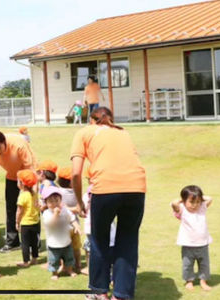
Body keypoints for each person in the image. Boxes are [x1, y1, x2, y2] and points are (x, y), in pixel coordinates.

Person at [71, 107, 146, 300]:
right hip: (136, 187)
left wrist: (80, 203)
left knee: (98, 240)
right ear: (110, 119)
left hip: (104, 188)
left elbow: (76, 173)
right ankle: (121, 295)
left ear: (91, 120)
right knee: (128, 240)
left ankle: (99, 292)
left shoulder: (84, 132)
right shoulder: (123, 132)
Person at [0, 130, 37, 252]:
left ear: (3, 142)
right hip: (12, 176)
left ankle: (33, 241)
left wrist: (33, 189)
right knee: (11, 208)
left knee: (29, 208)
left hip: (27, 177)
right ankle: (13, 241)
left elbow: (31, 167)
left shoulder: (18, 145)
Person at [171, 185, 213, 291]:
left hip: (203, 244)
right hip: (188, 244)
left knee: (204, 264)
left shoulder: (202, 209)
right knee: (187, 265)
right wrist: (184, 199)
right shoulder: (182, 210)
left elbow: (210, 199)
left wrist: (197, 197)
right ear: (184, 201)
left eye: (198, 202)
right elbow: (174, 203)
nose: (194, 205)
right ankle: (189, 281)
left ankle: (203, 281)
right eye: (191, 202)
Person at [41, 186, 80, 280]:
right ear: (46, 203)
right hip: (53, 244)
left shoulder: (65, 210)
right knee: (54, 260)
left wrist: (77, 226)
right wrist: (55, 214)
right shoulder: (46, 213)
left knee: (69, 258)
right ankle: (54, 273)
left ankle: (69, 270)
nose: (54, 203)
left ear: (61, 200)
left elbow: (72, 218)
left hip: (66, 241)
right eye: (51, 201)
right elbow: (50, 224)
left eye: (56, 200)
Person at [56, 167, 82, 273]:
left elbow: (60, 206)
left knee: (64, 246)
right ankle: (78, 264)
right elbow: (79, 208)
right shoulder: (77, 192)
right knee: (76, 247)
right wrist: (75, 209)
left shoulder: (58, 192)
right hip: (75, 224)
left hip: (62, 225)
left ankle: (65, 266)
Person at [15, 169, 40, 268]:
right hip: (35, 222)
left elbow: (19, 211)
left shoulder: (22, 196)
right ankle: (34, 259)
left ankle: (26, 261)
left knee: (25, 243)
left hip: (26, 223)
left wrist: (17, 222)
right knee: (34, 242)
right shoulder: (34, 193)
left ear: (22, 183)